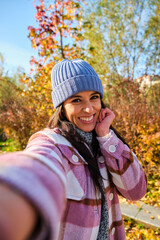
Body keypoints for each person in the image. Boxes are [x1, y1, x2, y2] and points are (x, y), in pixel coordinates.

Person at [0, 59, 147, 240]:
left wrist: (105, 137)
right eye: (76, 100)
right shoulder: (53, 143)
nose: (88, 108)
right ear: (62, 107)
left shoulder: (106, 141)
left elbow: (136, 191)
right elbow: (37, 165)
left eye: (94, 97)